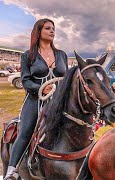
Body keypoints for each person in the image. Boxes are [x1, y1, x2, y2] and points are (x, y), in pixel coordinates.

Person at [4, 18, 68, 179]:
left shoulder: (61, 55)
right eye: (47, 28)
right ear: (38, 32)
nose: (52, 31)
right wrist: (40, 87)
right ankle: (12, 171)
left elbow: (66, 78)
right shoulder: (28, 56)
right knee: (26, 131)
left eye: (53, 28)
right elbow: (25, 80)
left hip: (59, 102)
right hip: (35, 101)